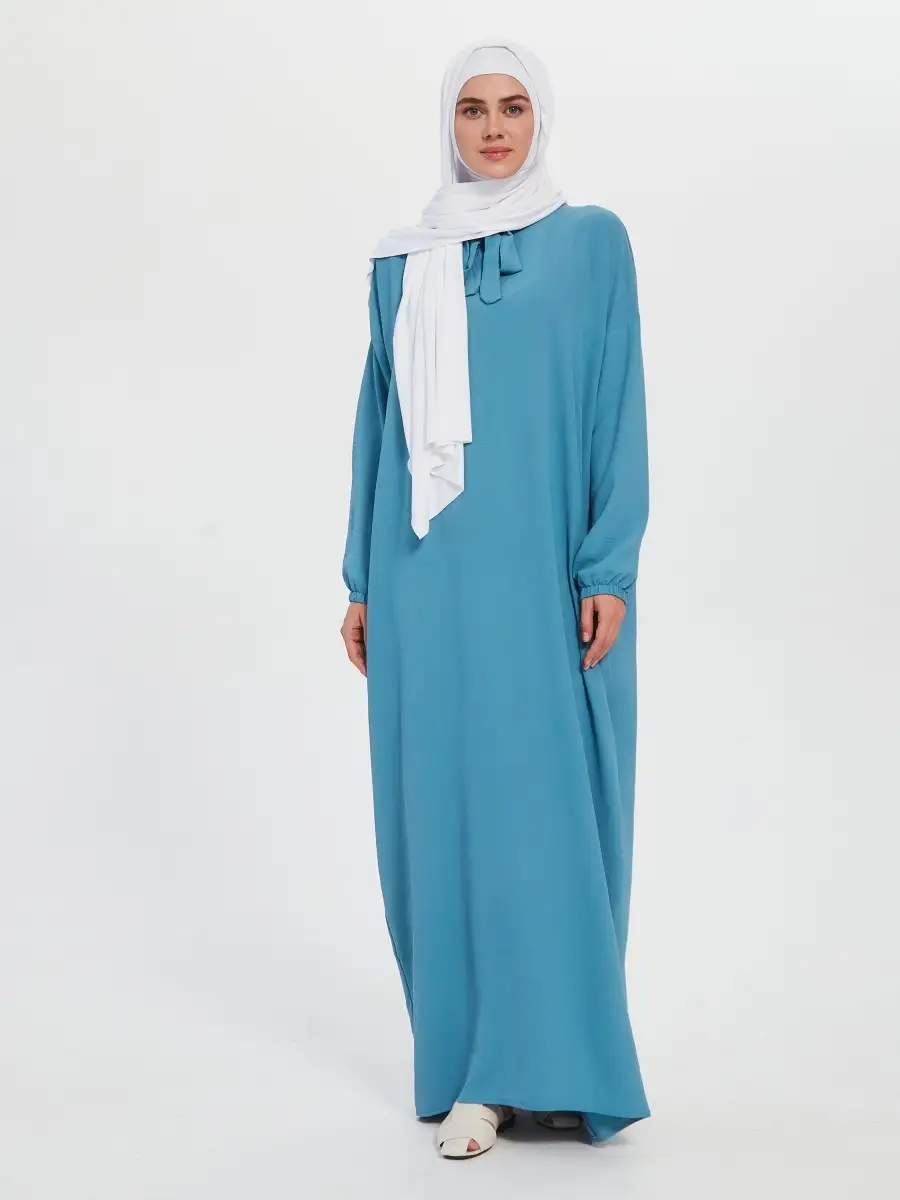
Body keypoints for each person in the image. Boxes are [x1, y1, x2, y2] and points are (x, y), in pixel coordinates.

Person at [340, 36, 651, 1159]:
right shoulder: (402, 262)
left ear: (540, 118)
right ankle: (477, 1070)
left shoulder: (591, 243)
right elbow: (379, 425)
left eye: (512, 107)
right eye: (472, 109)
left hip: (540, 577)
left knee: (545, 811)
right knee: (444, 814)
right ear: (450, 124)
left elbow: (618, 403)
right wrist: (361, 581)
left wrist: (607, 567)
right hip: (424, 577)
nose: (493, 129)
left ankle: (554, 1061)